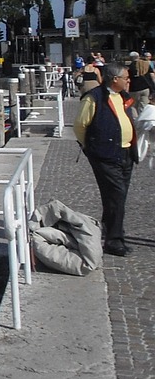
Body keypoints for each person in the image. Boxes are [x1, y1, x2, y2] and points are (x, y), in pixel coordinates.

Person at [74, 61, 137, 256]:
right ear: (115, 79)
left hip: (126, 153)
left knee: (117, 197)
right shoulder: (94, 98)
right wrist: (90, 147)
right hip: (105, 154)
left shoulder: (123, 96)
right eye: (126, 78)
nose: (129, 81)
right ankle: (114, 240)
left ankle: (112, 233)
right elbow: (80, 125)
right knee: (116, 196)